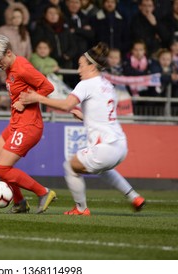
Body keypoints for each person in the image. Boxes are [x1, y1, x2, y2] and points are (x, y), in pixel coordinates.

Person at [19, 42, 146, 216]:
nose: (78, 70)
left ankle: (81, 208)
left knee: (69, 166)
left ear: (92, 66)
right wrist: (84, 116)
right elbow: (103, 115)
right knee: (103, 170)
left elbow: (65, 105)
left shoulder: (86, 84)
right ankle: (134, 197)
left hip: (105, 147)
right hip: (120, 146)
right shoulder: (107, 85)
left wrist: (37, 97)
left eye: (80, 65)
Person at [0, 33, 57, 214]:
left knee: (2, 168)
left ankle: (43, 192)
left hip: (28, 125)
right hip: (16, 123)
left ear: (8, 53)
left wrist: (24, 102)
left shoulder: (22, 68)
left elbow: (48, 87)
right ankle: (20, 202)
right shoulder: (10, 68)